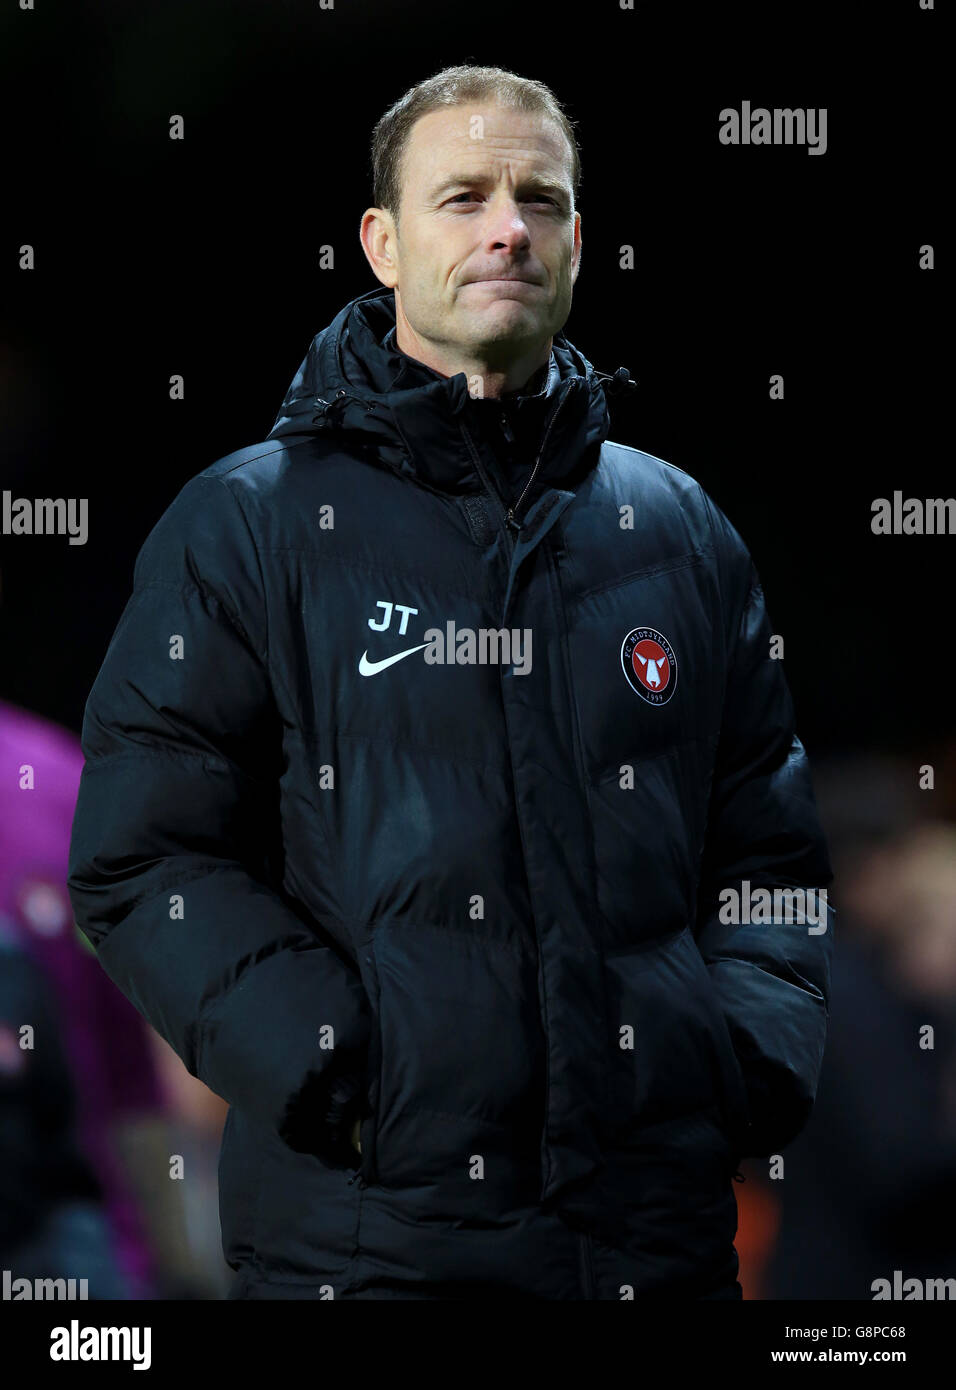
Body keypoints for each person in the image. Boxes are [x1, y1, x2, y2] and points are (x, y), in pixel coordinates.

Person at [67, 64, 834, 1300]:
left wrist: (745, 1058)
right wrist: (338, 1068)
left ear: (578, 242)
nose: (505, 228)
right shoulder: (248, 523)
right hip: (369, 1248)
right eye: (462, 195)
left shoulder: (677, 528)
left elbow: (767, 851)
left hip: (656, 1241)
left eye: (538, 198)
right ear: (380, 243)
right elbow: (141, 854)